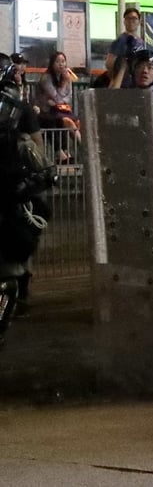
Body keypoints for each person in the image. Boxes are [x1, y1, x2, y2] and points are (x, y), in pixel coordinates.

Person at [0, 80, 55, 351]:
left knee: (8, 275)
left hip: (8, 213)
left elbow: (46, 173)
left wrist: (24, 187)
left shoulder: (19, 143)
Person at [34, 52, 81, 158]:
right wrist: (64, 83)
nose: (61, 64)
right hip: (44, 112)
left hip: (60, 111)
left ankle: (71, 150)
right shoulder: (46, 78)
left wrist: (59, 101)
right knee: (64, 121)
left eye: (63, 61)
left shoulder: (67, 76)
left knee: (72, 122)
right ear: (52, 64)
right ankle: (66, 152)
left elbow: (69, 96)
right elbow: (57, 98)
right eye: (58, 61)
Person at [106, 7, 142, 85]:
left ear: (139, 22)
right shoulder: (120, 41)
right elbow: (109, 63)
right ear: (124, 21)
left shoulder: (141, 42)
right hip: (123, 82)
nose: (131, 21)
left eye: (134, 18)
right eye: (128, 18)